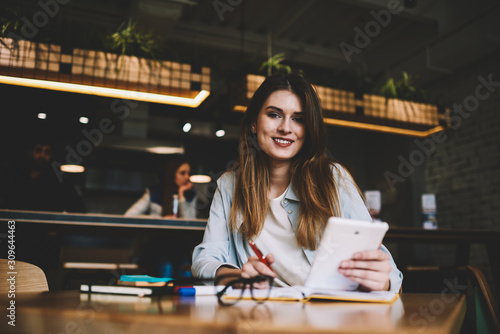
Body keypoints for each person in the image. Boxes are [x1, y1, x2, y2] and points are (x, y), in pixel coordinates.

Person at [192, 73, 403, 292]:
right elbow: (205, 258)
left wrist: (382, 281)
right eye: (274, 115)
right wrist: (239, 275)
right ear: (254, 123)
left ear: (309, 129)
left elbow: (389, 273)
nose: (285, 127)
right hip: (263, 316)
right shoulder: (230, 185)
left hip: (327, 315)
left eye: (298, 119)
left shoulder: (333, 178)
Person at [4, 140, 86, 213]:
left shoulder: (59, 183)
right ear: (30, 152)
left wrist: (57, 228)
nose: (42, 155)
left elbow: (79, 210)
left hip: (45, 228)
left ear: (51, 156)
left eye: (47, 152)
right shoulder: (15, 179)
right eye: (38, 150)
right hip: (16, 227)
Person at [125, 157, 197, 218]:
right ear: (172, 174)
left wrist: (181, 195)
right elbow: (129, 215)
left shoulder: (190, 194)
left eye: (189, 173)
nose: (187, 177)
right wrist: (161, 220)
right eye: (182, 173)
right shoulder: (154, 193)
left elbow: (190, 221)